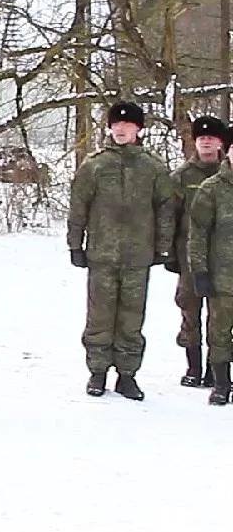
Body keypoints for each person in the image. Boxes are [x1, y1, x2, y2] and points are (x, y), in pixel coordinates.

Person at [68, 101, 173, 400]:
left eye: (127, 125)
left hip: (138, 256)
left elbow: (166, 208)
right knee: (99, 316)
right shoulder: (95, 165)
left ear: (138, 129)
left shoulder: (152, 167)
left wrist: (163, 247)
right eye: (116, 124)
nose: (121, 129)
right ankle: (97, 372)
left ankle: (127, 375)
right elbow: (79, 207)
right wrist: (75, 245)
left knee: (131, 318)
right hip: (101, 255)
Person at [168, 116, 226, 388]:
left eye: (212, 138)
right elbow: (170, 217)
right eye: (201, 138)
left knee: (221, 315)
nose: (206, 142)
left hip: (225, 259)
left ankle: (217, 368)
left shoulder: (226, 175)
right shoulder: (181, 176)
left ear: (221, 143)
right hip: (188, 255)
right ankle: (193, 366)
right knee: (190, 311)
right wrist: (169, 253)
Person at [186, 130, 233, 406]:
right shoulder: (212, 189)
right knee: (219, 332)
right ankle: (221, 384)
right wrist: (200, 271)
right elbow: (198, 234)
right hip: (222, 277)